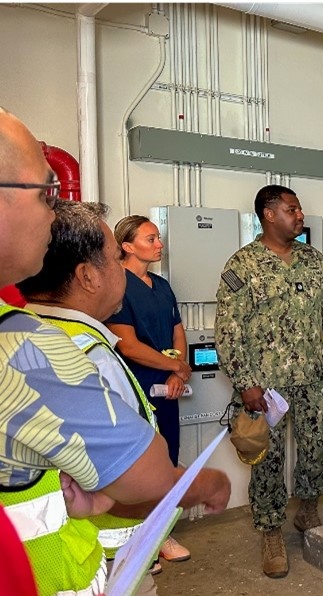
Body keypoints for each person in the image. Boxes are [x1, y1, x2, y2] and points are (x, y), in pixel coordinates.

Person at [0, 108, 230, 594]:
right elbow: (144, 479)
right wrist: (208, 483)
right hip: (71, 567)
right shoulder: (36, 347)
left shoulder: (33, 324)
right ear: (87, 275)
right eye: (46, 194)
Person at [17, 200, 161, 592]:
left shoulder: (23, 337)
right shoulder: (88, 355)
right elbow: (125, 476)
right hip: (108, 555)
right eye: (116, 259)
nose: (122, 273)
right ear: (88, 276)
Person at [214, 184, 323, 579]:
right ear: (269, 214)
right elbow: (229, 330)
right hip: (265, 385)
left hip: (313, 378)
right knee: (268, 460)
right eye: (293, 209)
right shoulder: (243, 265)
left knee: (315, 446)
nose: (300, 215)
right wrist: (244, 382)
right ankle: (271, 530)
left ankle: (308, 508)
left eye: (300, 209)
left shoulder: (314, 261)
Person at [106, 215, 192, 564]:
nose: (160, 244)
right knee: (138, 466)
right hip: (135, 387)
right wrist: (174, 366)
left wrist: (178, 374)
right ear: (127, 246)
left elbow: (178, 333)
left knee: (167, 458)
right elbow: (126, 345)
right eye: (151, 238)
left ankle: (161, 534)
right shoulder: (117, 287)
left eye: (159, 238)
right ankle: (139, 541)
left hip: (167, 389)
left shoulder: (162, 286)